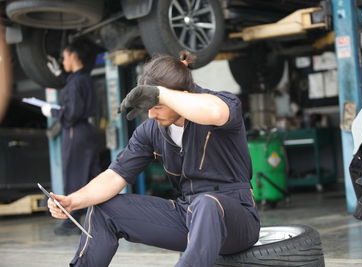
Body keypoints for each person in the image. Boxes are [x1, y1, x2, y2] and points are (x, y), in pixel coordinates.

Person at [47, 51, 260, 267]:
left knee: (206, 204)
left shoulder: (222, 103)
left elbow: (215, 112)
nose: (151, 114)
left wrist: (161, 93)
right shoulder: (150, 131)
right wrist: (73, 201)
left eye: (156, 106)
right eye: (148, 107)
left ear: (182, 95)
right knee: (104, 208)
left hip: (236, 218)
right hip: (187, 213)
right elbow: (114, 176)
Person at [42, 39, 101, 236]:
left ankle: (70, 222)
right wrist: (58, 73)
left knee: (74, 175)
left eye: (65, 56)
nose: (63, 60)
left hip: (75, 131)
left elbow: (72, 113)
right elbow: (69, 85)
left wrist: (53, 111)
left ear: (74, 55)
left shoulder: (76, 81)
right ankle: (103, 217)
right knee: (92, 175)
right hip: (86, 132)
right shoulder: (84, 78)